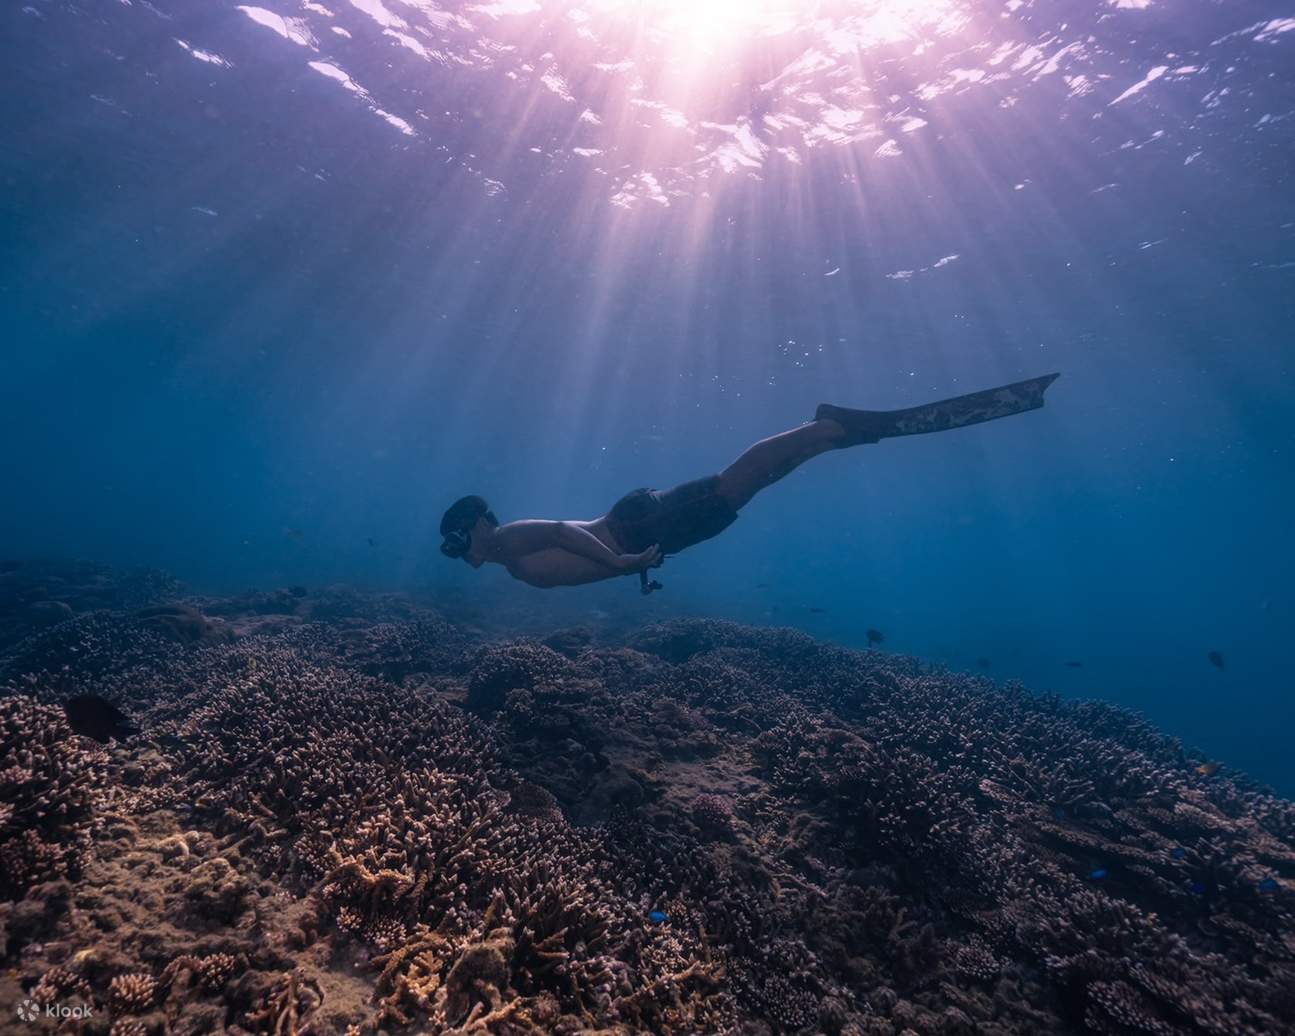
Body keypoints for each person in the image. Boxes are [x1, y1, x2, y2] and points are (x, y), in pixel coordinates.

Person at [440, 373, 1059, 592]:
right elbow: (577, 550)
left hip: (638, 527)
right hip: (641, 532)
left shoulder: (510, 542)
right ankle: (824, 438)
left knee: (736, 482)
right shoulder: (508, 560)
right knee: (749, 487)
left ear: (474, 528)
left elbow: (562, 532)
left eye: (453, 543)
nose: (457, 556)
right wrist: (631, 566)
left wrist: (626, 562)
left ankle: (826, 429)